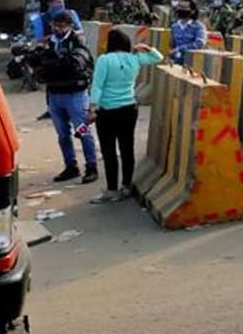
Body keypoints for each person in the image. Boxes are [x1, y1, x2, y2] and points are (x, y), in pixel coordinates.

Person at [87, 28, 162, 202]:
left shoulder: (104, 60)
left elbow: (97, 86)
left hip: (107, 111)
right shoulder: (134, 59)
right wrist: (146, 47)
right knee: (127, 148)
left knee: (109, 151)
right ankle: (127, 186)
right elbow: (158, 58)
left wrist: (92, 108)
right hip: (129, 109)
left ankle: (112, 190)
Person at [34, 11, 98, 184]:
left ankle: (91, 166)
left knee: (82, 131)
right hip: (54, 94)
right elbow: (38, 65)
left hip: (75, 95)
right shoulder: (48, 43)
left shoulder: (77, 43)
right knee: (62, 134)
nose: (58, 29)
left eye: (62, 26)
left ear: (70, 26)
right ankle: (71, 166)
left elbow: (77, 63)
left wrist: (54, 63)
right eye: (55, 26)